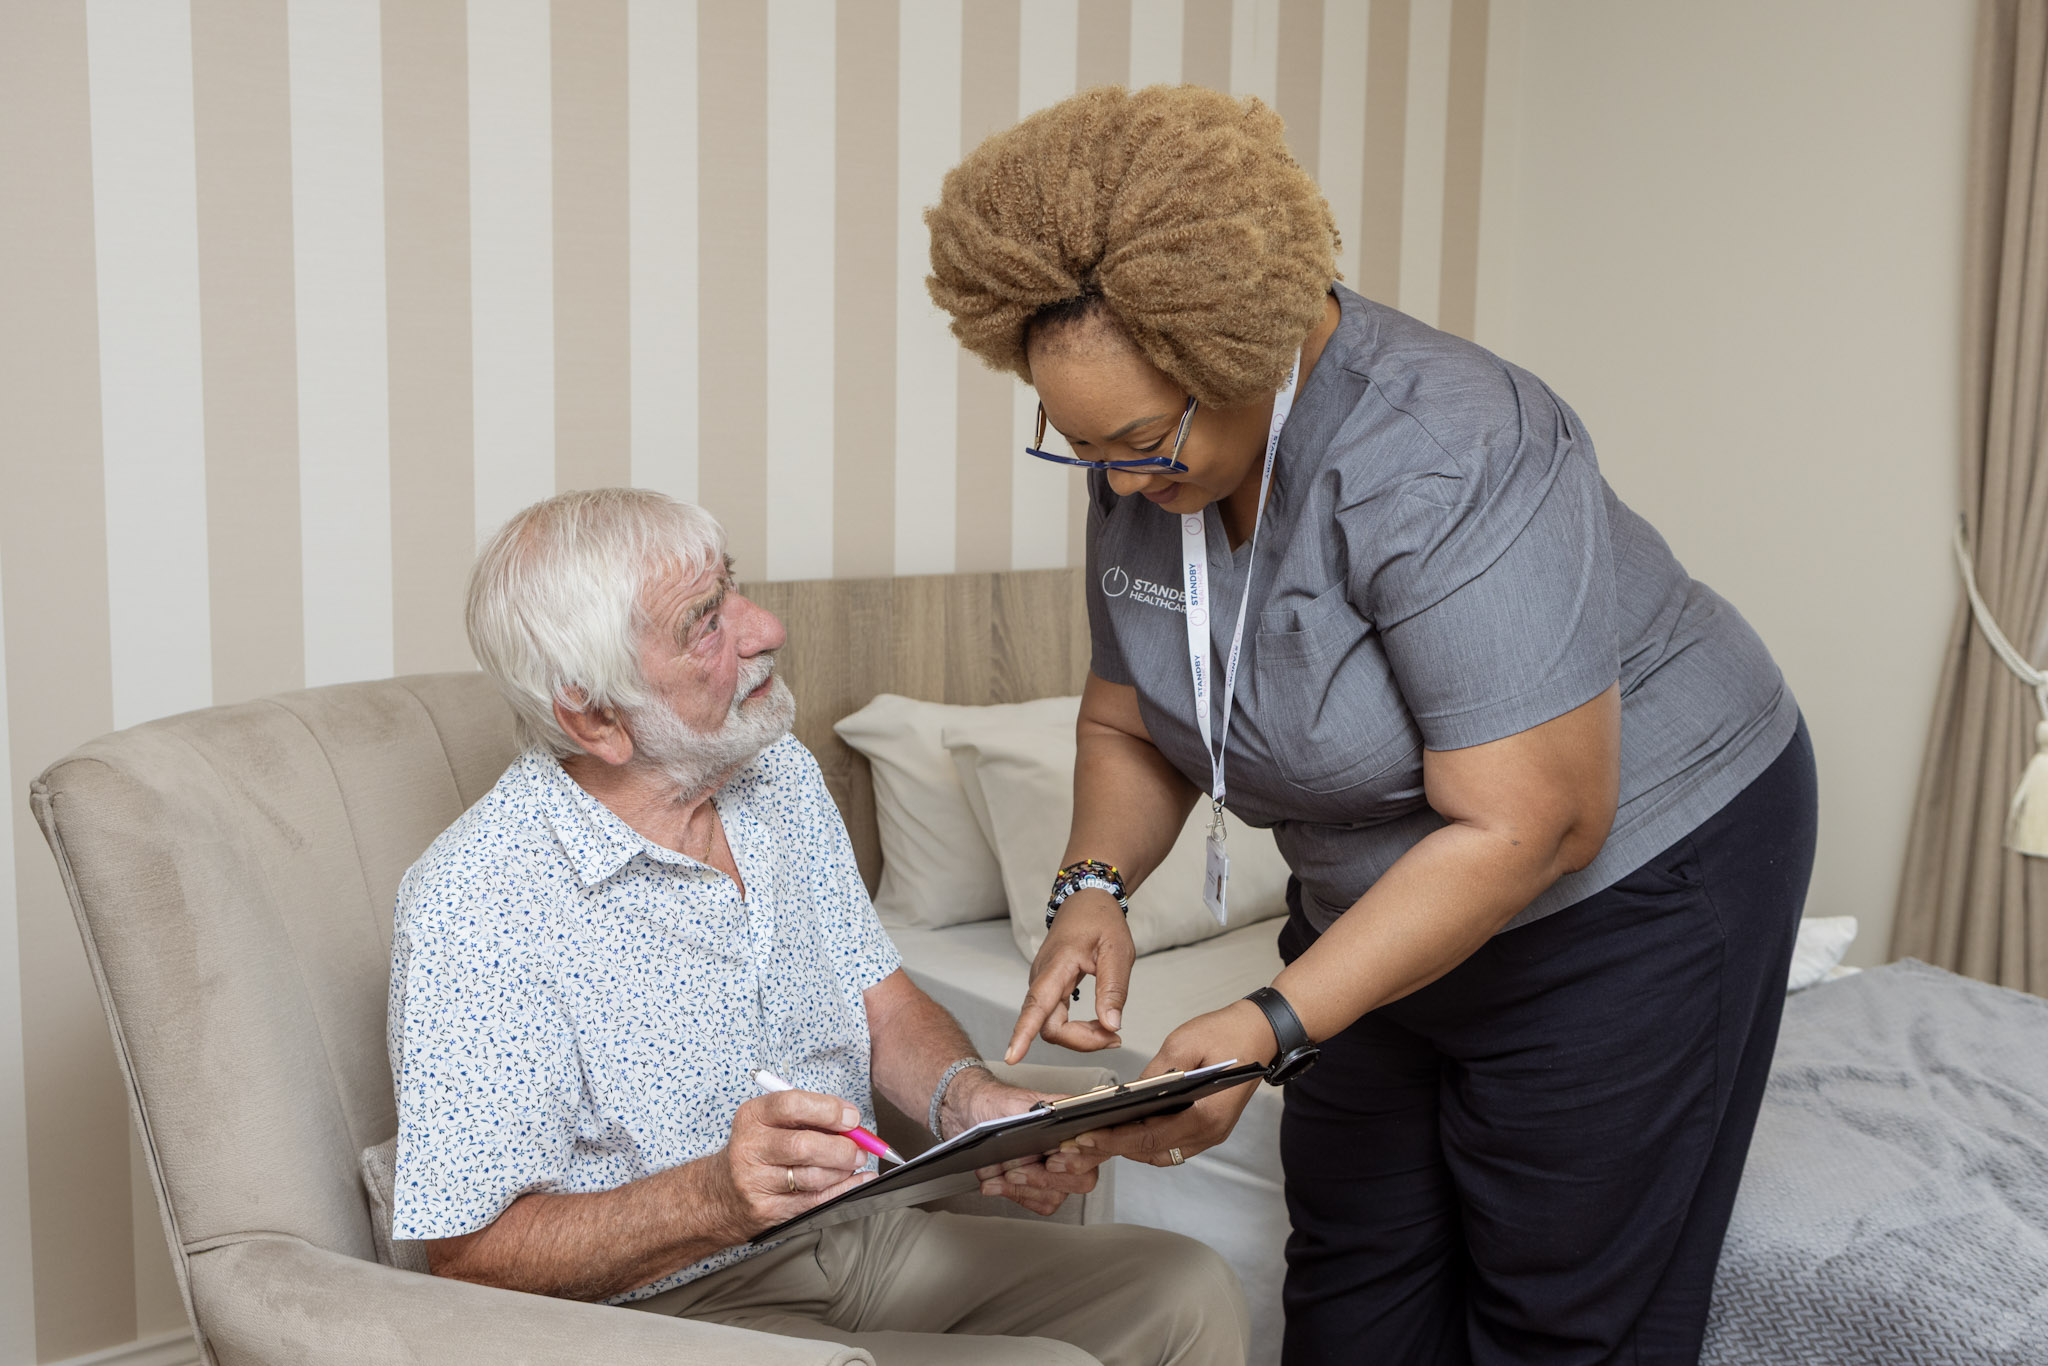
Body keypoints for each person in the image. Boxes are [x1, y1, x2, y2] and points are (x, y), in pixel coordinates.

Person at [924, 85, 1817, 1366]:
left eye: (1138, 442)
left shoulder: (1445, 447)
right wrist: (1091, 883)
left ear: (1249, 352)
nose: (1119, 481)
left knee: (1558, 1307)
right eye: (1082, 449)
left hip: (1626, 870)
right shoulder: (1148, 465)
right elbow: (1130, 720)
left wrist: (1266, 1022)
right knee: (1352, 1271)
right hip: (1385, 885)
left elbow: (1535, 818)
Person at [385, 487, 1247, 1366]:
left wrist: (972, 1105)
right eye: (706, 622)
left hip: (858, 1237)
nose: (766, 628)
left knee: (1184, 1286)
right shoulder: (478, 901)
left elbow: (884, 1005)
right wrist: (716, 1196)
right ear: (594, 717)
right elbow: (467, 1255)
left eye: (734, 589)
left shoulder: (776, 774)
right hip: (663, 1316)